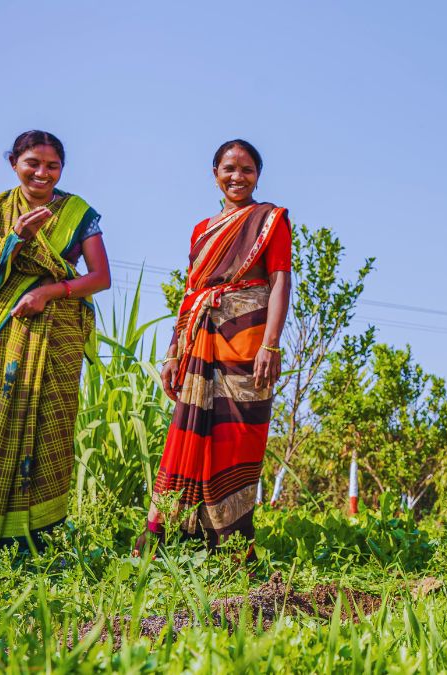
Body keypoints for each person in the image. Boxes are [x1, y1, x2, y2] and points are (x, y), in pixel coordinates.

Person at [0, 131, 111, 551]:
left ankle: (37, 538)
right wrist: (15, 238)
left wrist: (48, 292)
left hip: (58, 331)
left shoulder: (77, 213)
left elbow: (100, 277)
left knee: (50, 427)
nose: (42, 173)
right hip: (5, 327)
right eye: (32, 163)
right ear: (14, 163)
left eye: (52, 166)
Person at [136, 139, 291, 559]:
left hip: (247, 340)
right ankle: (178, 541)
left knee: (239, 435)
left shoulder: (270, 221)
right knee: (191, 432)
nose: (237, 177)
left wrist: (270, 345)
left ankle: (232, 544)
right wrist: (173, 354)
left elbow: (279, 282)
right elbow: (191, 293)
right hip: (198, 340)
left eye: (247, 170)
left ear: (258, 175)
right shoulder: (202, 230)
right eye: (229, 169)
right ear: (214, 173)